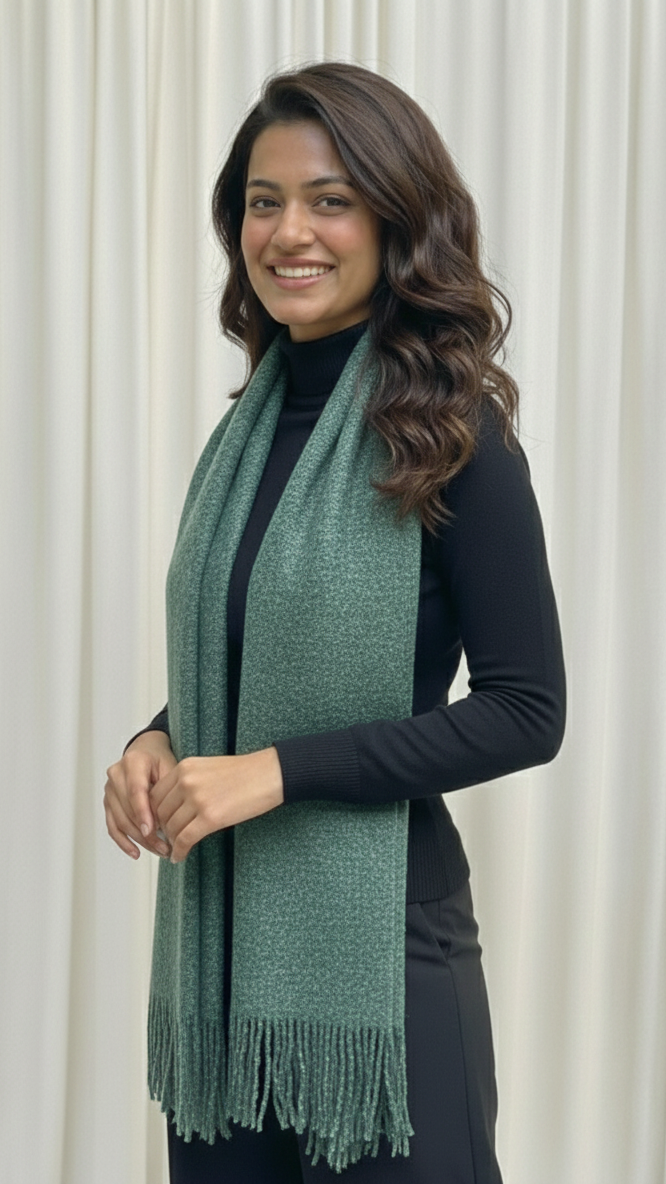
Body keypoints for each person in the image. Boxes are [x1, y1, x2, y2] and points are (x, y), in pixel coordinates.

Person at [104, 61, 566, 1183]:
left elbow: (528, 710)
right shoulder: (244, 440)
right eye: (264, 202)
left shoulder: (454, 436)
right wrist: (158, 737)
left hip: (387, 965)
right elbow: (246, 649)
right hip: (226, 975)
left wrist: (276, 772)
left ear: (395, 220)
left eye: (331, 200)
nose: (290, 233)